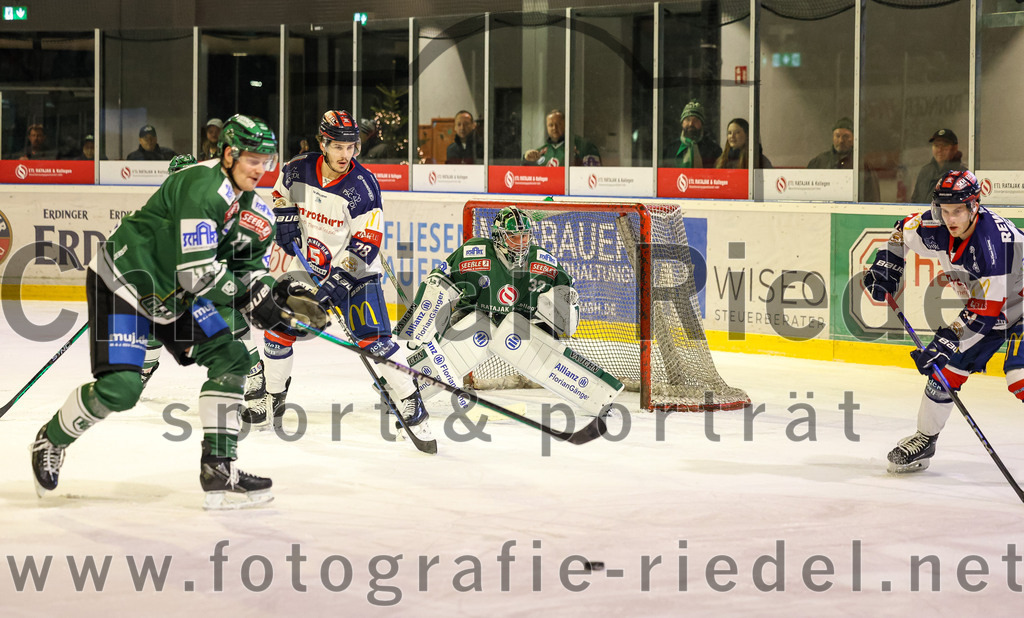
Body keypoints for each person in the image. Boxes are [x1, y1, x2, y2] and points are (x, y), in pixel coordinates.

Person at [30, 114, 327, 510]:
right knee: (122, 390)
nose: (260, 168)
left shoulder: (259, 216)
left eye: (266, 160)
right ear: (228, 155)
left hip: (178, 298)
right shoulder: (199, 187)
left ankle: (219, 467)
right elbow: (197, 274)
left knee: (232, 357)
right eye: (252, 159)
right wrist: (248, 298)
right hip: (128, 282)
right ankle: (52, 438)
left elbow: (247, 270)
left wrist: (271, 293)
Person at [243, 109, 436, 450]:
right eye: (338, 148)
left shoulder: (363, 187)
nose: (346, 155)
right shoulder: (299, 167)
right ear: (323, 144)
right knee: (278, 333)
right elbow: (279, 193)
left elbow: (367, 242)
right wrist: (285, 216)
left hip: (357, 275)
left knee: (376, 343)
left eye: (352, 148)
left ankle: (411, 402)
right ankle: (273, 396)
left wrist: (340, 280)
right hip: (309, 270)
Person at [863, 170, 1024, 473]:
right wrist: (889, 261)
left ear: (974, 206)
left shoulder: (993, 245)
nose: (950, 219)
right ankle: (924, 440)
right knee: (943, 374)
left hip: (1016, 309)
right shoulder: (937, 224)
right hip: (989, 311)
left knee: (1019, 376)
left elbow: (986, 312)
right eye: (945, 210)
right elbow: (902, 229)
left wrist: (947, 339)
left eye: (958, 211)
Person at [395, 205, 624, 417]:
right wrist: (423, 318)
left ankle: (598, 397)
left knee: (541, 352)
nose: (521, 243)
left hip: (521, 326)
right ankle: (399, 391)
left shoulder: (541, 261)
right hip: (474, 317)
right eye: (514, 237)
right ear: (498, 237)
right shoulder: (474, 253)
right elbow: (439, 280)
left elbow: (566, 291)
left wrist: (565, 305)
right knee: (456, 347)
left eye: (525, 236)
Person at [806, 117, 880, 202]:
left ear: (853, 139)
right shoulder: (819, 162)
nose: (841, 140)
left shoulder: (862, 166)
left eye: (846, 136)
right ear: (833, 138)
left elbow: (873, 199)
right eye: (837, 136)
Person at [522, 110, 601, 167]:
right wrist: (526, 158)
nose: (554, 128)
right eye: (551, 125)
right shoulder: (540, 152)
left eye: (558, 124)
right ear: (546, 127)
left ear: (566, 124)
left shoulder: (584, 146)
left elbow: (595, 175)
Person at [910, 128, 966, 204]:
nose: (940, 149)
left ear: (955, 148)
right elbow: (915, 200)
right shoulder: (925, 171)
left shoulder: (962, 174)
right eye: (936, 145)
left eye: (945, 145)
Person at [664, 99, 721, 168]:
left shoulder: (713, 150)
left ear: (701, 124)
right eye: (688, 120)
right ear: (682, 123)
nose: (691, 123)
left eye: (696, 120)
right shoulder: (670, 149)